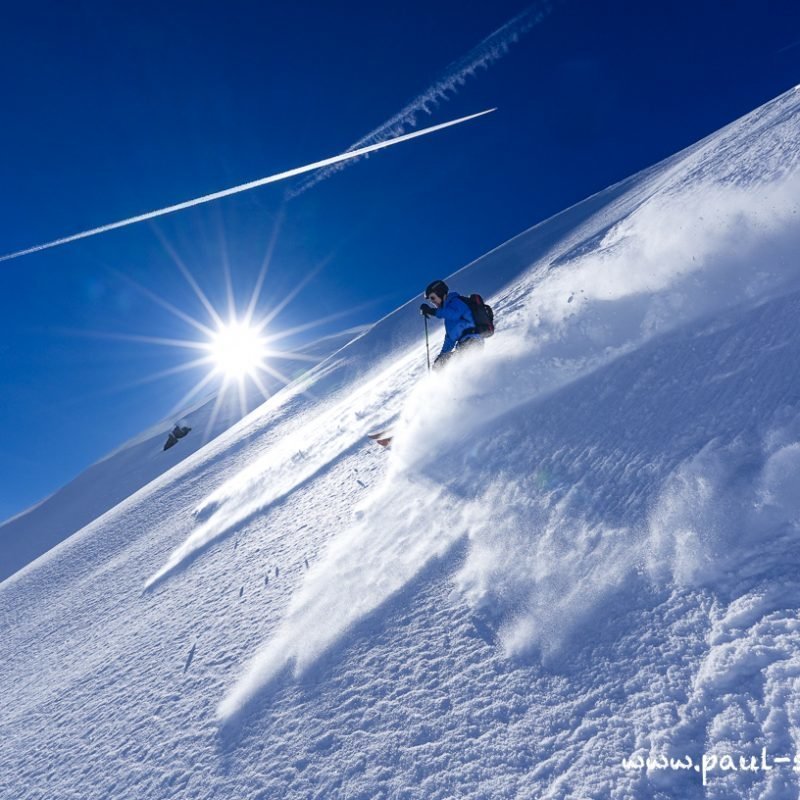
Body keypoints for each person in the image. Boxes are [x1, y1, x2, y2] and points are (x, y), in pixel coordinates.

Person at [419, 279, 483, 368]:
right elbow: (450, 339)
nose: (433, 302)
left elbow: (454, 314)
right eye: (430, 300)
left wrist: (432, 311)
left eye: (433, 298)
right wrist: (441, 357)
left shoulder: (455, 302)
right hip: (463, 345)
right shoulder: (448, 319)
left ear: (440, 293)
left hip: (472, 342)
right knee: (443, 365)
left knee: (457, 366)